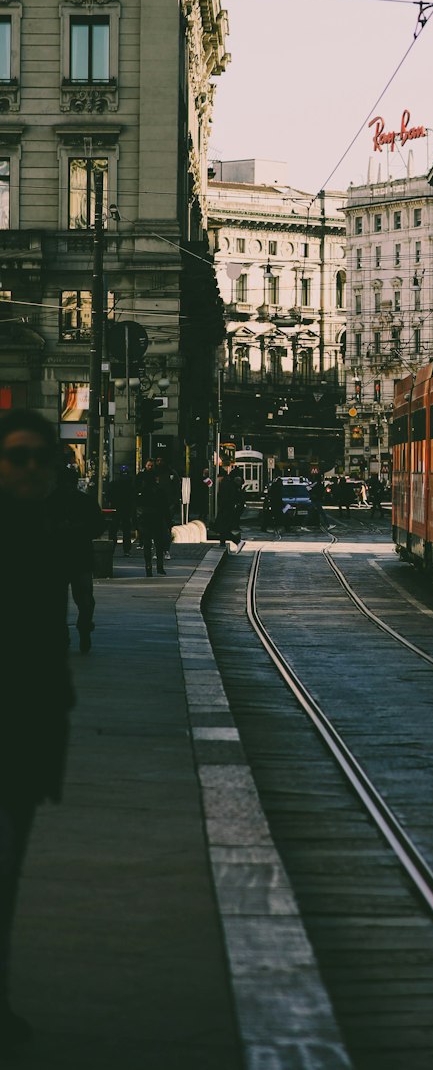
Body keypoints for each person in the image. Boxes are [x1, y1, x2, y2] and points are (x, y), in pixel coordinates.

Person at [0, 409, 98, 1054]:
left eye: (43, 457)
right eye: (18, 456)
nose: (33, 467)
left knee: (8, 876)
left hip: (28, 724)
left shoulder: (50, 525)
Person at [135, 461, 169, 575]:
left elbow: (137, 505)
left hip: (145, 519)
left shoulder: (142, 492)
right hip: (157, 519)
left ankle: (148, 567)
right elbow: (165, 506)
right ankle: (160, 566)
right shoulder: (159, 491)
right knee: (159, 543)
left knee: (147, 543)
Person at [107, 464, 135, 555]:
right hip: (126, 509)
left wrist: (111, 503)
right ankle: (126, 550)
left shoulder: (114, 483)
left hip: (116, 508)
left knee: (113, 530)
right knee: (126, 530)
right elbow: (133, 496)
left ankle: (111, 548)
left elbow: (108, 496)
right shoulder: (131, 484)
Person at [216, 467, 245, 543]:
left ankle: (237, 541)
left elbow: (224, 497)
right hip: (227, 509)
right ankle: (224, 543)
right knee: (222, 528)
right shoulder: (229, 482)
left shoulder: (226, 483)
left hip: (226, 509)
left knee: (222, 528)